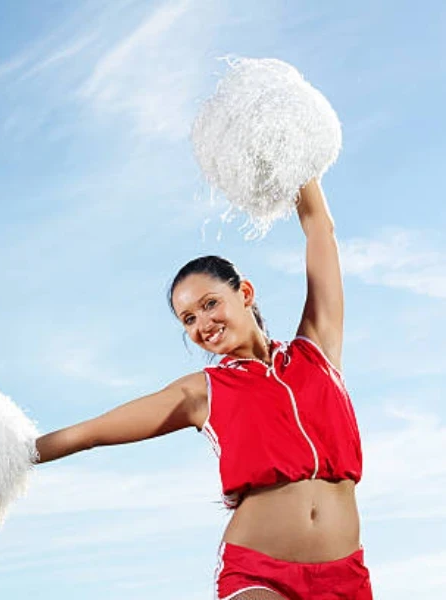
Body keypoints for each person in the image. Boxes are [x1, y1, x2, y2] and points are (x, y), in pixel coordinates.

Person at [34, 179, 372, 599]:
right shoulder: (202, 393)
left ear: (245, 292)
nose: (202, 324)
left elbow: (320, 228)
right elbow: (88, 433)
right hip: (259, 575)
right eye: (188, 319)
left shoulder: (316, 349)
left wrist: (298, 156)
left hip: (345, 578)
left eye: (209, 303)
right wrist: (9, 457)